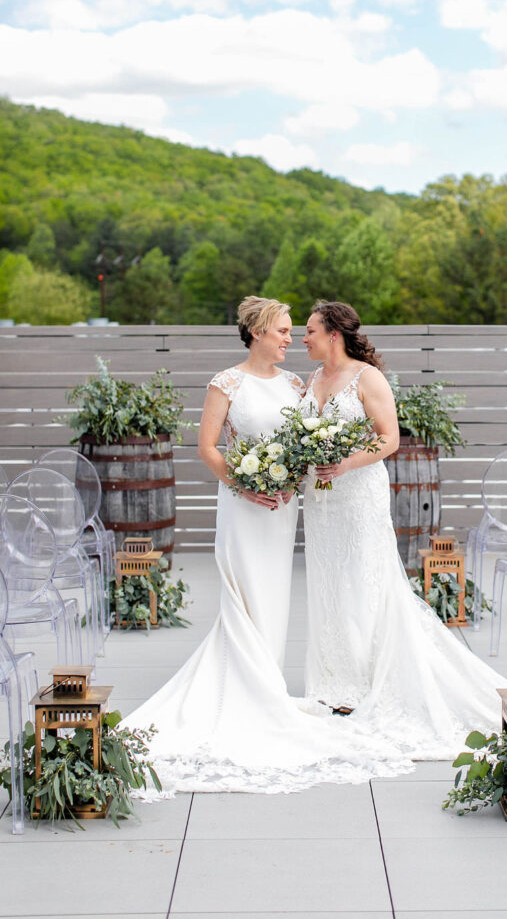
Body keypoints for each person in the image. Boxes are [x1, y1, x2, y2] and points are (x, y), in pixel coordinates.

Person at [125, 296, 410, 794]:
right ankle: (246, 691)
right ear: (257, 332)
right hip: (244, 506)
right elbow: (208, 448)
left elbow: (310, 441)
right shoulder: (226, 383)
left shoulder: (297, 385)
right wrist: (245, 483)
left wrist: (302, 475)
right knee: (245, 597)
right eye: (282, 330)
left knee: (279, 600)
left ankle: (271, 688)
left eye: (298, 331)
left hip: (285, 510)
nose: (292, 338)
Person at [301, 300, 507, 757]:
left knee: (363, 581)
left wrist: (344, 464)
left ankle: (366, 678)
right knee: (328, 584)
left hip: (357, 495)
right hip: (320, 503)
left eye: (311, 330)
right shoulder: (313, 379)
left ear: (334, 334)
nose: (304, 338)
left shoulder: (367, 377)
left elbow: (389, 439)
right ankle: (335, 682)